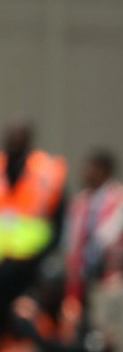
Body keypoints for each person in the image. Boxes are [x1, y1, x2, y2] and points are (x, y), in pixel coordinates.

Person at [0, 121, 67, 319]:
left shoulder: (46, 172)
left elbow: (58, 223)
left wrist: (42, 255)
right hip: (2, 264)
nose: (14, 141)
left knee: (26, 318)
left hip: (31, 266)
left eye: (19, 136)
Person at [63, 148, 123, 308]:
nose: (87, 173)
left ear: (105, 171)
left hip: (109, 273)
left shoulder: (121, 199)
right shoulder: (80, 201)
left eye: (92, 169)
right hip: (81, 273)